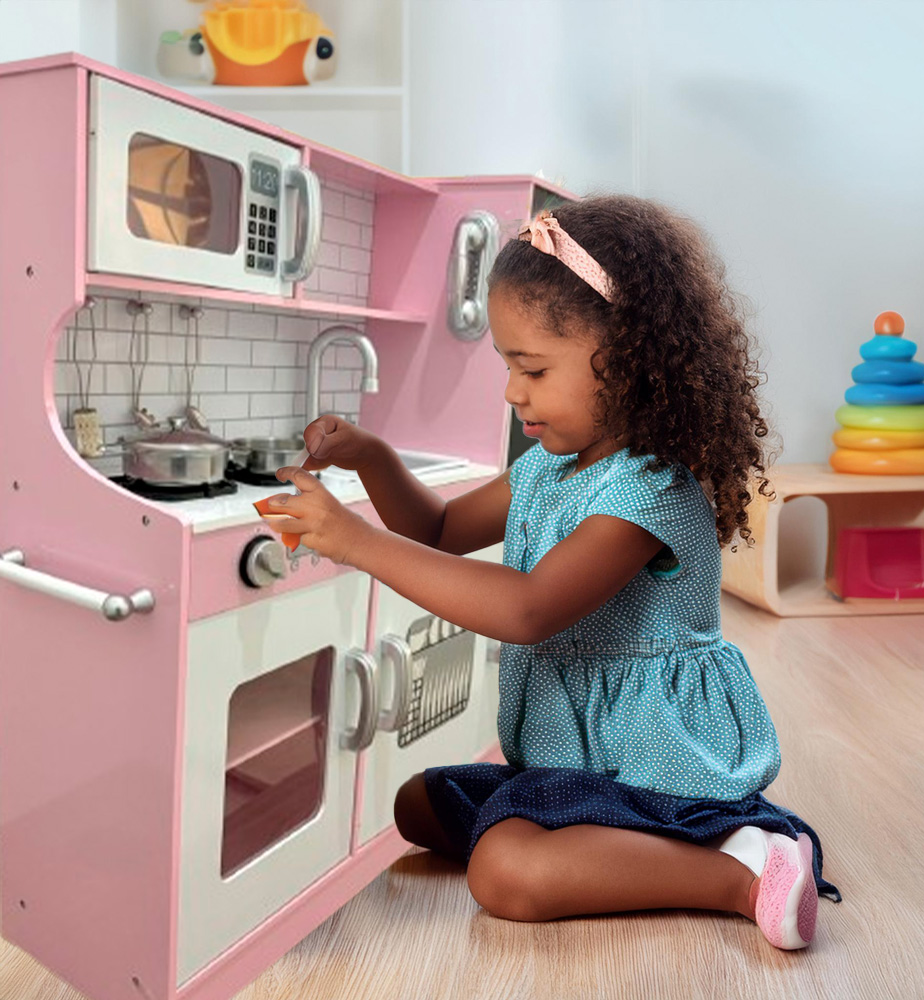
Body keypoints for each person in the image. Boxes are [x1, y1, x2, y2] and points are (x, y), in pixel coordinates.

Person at [266, 195, 841, 951]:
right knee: (419, 807)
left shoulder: (650, 489)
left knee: (504, 874)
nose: (512, 392)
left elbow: (529, 609)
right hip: (579, 757)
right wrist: (372, 458)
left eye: (531, 367)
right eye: (508, 365)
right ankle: (613, 846)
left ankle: (743, 868)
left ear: (629, 359)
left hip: (656, 767)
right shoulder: (548, 467)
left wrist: (355, 543)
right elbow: (437, 532)